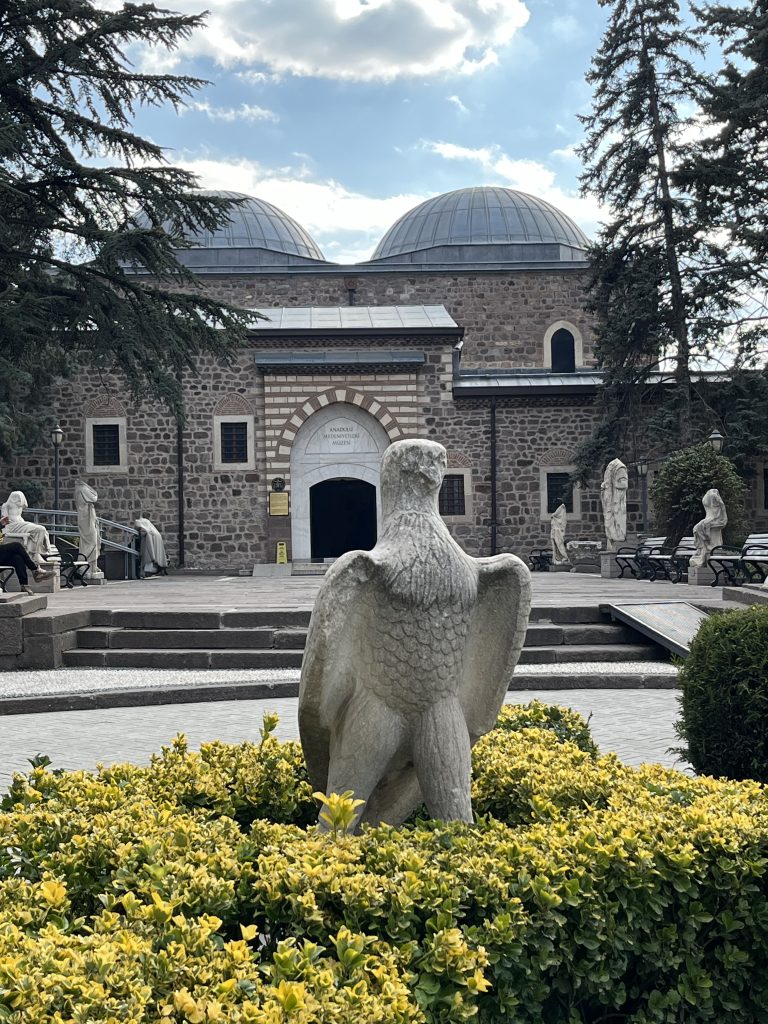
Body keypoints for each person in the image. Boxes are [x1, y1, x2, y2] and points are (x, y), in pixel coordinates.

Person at [1, 491, 55, 567]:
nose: (17, 500)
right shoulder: (6, 505)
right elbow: (4, 521)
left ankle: (39, 553)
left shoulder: (20, 506)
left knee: (43, 530)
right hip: (13, 526)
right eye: (15, 497)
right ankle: (36, 554)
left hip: (21, 523)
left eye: (19, 498)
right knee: (40, 529)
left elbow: (25, 504)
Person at [690, 488, 728, 568]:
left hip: (714, 519)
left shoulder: (715, 498)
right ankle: (704, 545)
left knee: (701, 526)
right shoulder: (708, 497)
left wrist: (722, 517)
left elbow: (722, 506)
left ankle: (706, 543)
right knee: (697, 528)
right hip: (710, 519)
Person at [600, 458, 628, 550]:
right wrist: (605, 487)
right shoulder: (610, 468)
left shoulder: (620, 467)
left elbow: (624, 484)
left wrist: (612, 483)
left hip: (617, 502)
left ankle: (617, 541)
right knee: (608, 523)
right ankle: (611, 543)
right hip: (609, 502)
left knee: (617, 522)